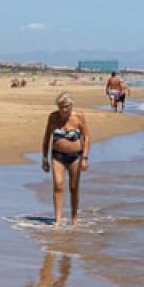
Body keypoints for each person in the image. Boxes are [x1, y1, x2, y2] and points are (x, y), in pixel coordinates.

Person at [40, 92, 90, 224]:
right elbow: (47, 138)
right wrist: (44, 158)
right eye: (61, 107)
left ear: (71, 106)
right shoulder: (53, 117)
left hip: (76, 156)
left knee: (74, 187)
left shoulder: (79, 116)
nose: (64, 109)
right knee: (58, 185)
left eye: (67, 106)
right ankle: (58, 219)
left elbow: (86, 136)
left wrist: (85, 157)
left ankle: (74, 218)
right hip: (57, 156)